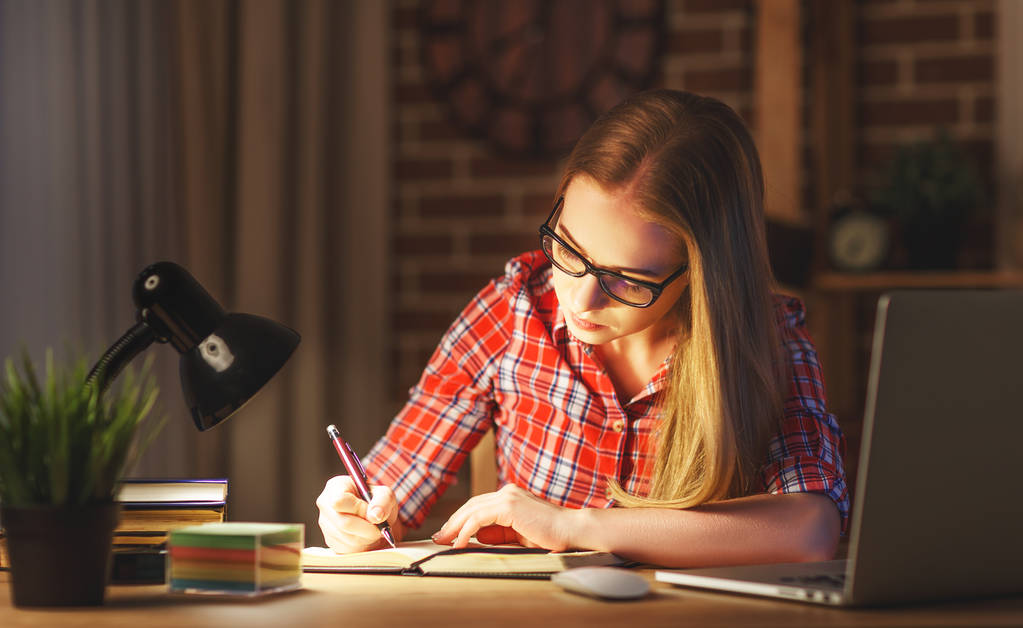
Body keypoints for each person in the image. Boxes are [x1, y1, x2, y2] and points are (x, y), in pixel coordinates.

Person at [316, 89, 848, 568]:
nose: (580, 297)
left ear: (703, 273)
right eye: (568, 250)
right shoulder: (514, 311)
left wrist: (574, 527)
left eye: (628, 279)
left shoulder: (767, 345)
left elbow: (812, 528)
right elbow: (390, 491)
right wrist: (355, 517)